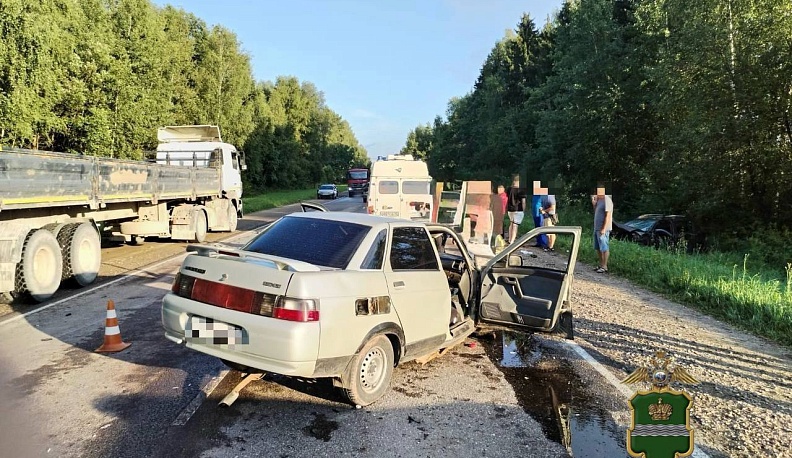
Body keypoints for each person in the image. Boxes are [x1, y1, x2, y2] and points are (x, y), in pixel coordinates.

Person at [592, 186, 613, 273]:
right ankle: (601, 264)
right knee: (598, 247)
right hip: (597, 227)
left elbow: (608, 215)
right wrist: (594, 203)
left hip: (603, 228)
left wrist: (604, 228)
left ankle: (605, 266)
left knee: (604, 247)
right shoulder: (599, 200)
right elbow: (596, 211)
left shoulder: (607, 200)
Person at [506, 176, 526, 244]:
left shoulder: (509, 189)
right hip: (518, 209)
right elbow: (523, 201)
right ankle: (512, 242)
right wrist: (523, 210)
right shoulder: (521, 190)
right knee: (515, 225)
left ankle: (509, 239)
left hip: (510, 209)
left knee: (511, 224)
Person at [531, 182, 549, 248]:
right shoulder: (534, 194)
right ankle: (538, 242)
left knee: (541, 227)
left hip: (540, 213)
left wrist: (543, 210)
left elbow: (546, 202)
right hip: (535, 213)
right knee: (537, 228)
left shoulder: (542, 192)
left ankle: (544, 243)